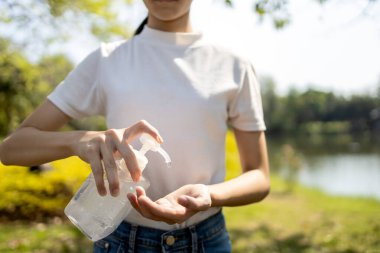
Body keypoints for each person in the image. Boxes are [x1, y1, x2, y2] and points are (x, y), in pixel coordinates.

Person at [0, 0, 270, 252]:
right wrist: (77, 140)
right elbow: (12, 148)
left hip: (207, 241)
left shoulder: (234, 65)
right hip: (119, 241)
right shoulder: (107, 60)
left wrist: (209, 194)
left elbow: (259, 176)